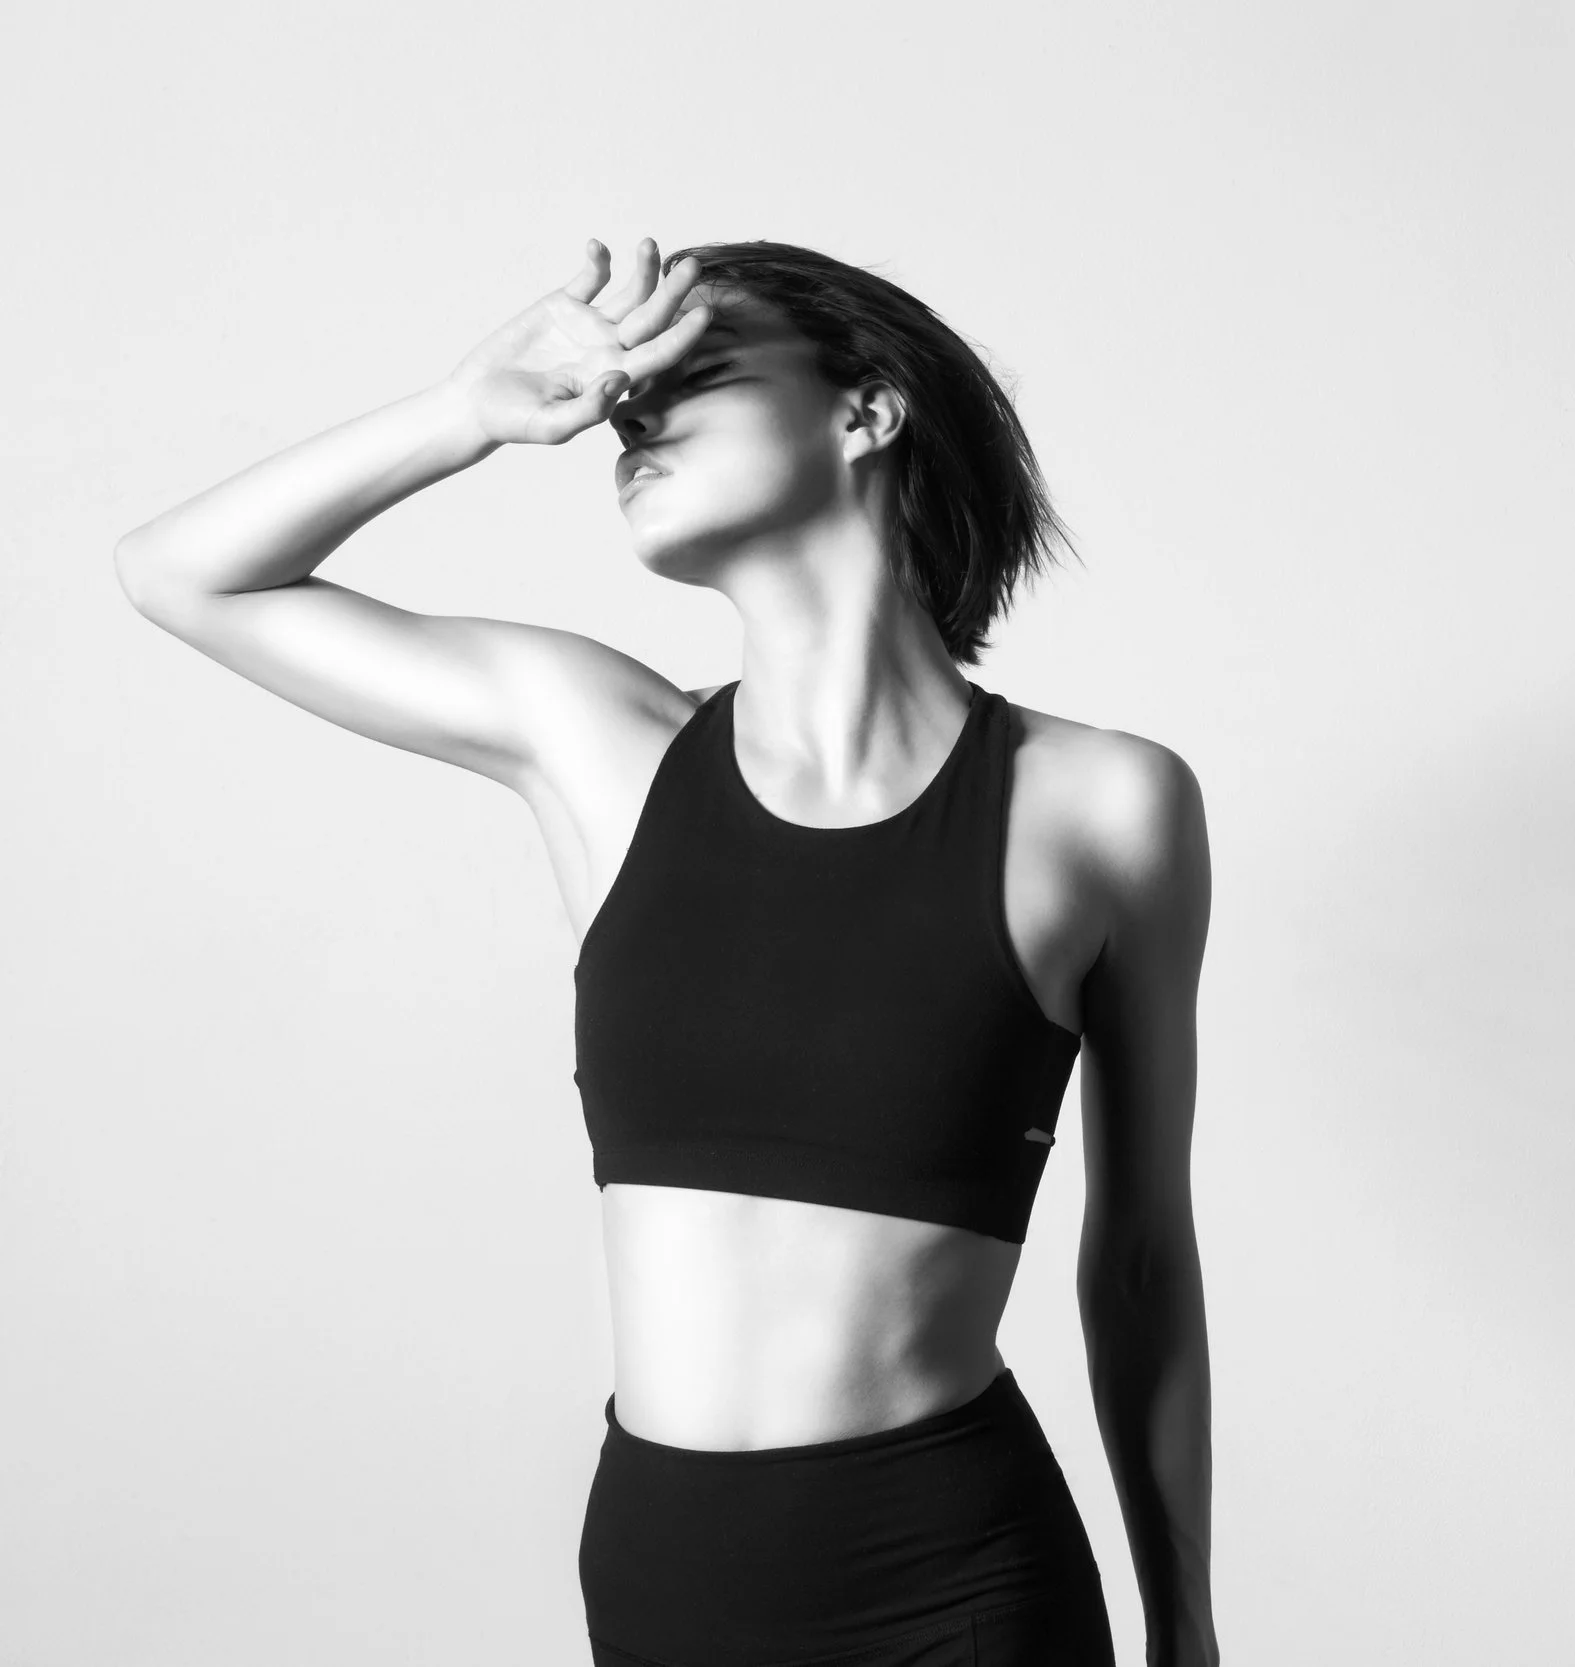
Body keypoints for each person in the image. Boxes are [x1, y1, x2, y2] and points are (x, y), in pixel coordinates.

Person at [115, 237, 1216, 1667]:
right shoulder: (603, 748)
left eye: (689, 374)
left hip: (956, 1580)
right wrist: (466, 411)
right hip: (660, 1574)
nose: (627, 415)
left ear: (865, 411)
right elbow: (181, 576)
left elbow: (1140, 1259)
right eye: (621, 397)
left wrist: (1185, 1626)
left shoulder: (1103, 804)